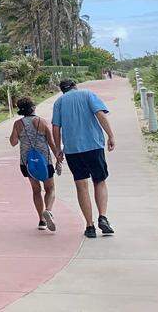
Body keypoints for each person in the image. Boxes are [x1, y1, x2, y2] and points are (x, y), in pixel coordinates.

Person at [52, 78, 115, 238]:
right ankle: (103, 217)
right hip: (93, 145)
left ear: (62, 90)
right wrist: (110, 135)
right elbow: (100, 115)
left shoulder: (59, 103)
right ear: (75, 86)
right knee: (99, 181)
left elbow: (56, 128)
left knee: (81, 186)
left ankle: (90, 225)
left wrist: (58, 149)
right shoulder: (87, 94)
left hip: (73, 150)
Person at [9, 96, 62, 231]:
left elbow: (13, 142)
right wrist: (58, 157)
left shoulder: (18, 124)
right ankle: (48, 210)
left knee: (36, 190)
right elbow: (51, 142)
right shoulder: (41, 122)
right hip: (44, 161)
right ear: (33, 108)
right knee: (50, 189)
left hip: (27, 162)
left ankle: (41, 220)